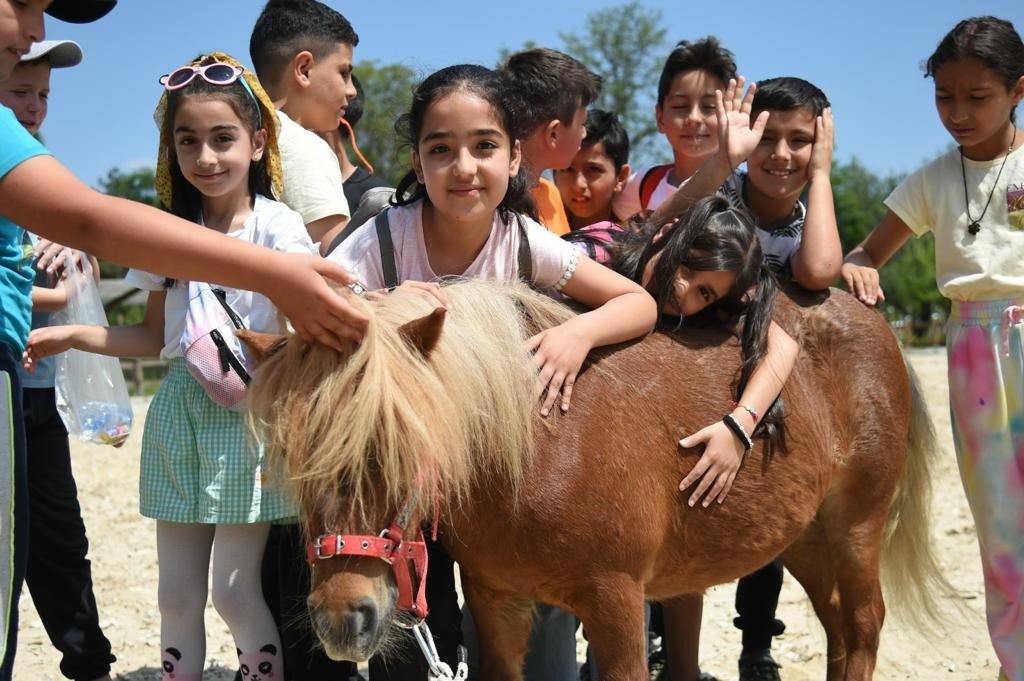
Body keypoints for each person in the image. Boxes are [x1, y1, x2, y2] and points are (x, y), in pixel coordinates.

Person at [0, 4, 365, 679]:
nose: (205, 155)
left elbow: (307, 326)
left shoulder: (280, 230)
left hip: (251, 425)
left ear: (258, 144)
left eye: (222, 138)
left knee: (233, 590)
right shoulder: (166, 236)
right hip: (177, 420)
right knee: (174, 594)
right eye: (188, 140)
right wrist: (69, 334)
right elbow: (152, 334)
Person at [329, 62, 658, 680]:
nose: (463, 166)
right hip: (411, 478)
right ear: (418, 162)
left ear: (514, 160)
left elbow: (639, 303)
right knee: (420, 633)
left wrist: (576, 333)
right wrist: (384, 308)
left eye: (484, 146)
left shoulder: (522, 240)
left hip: (497, 477)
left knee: (529, 627)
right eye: (441, 149)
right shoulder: (383, 242)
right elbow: (323, 316)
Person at [841, 16, 1024, 681]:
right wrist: (861, 265)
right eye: (945, 95)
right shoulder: (931, 179)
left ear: (1018, 92)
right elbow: (869, 249)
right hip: (974, 348)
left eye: (978, 96)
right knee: (1002, 526)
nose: (958, 111)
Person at [1, 37, 116, 681]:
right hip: (5, 384)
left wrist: (75, 258)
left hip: (38, 389)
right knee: (6, 543)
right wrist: (63, 287)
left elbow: (87, 254)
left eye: (44, 95)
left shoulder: (43, 168)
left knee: (60, 536)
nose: (36, 106)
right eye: (21, 91)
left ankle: (89, 661)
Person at [248, 0, 357, 253]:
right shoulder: (302, 148)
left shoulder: (229, 141)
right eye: (343, 72)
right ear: (304, 69)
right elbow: (336, 263)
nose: (351, 90)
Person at [613, 36, 738, 221]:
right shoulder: (643, 184)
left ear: (731, 114)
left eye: (709, 107)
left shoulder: (749, 191)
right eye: (680, 106)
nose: (694, 118)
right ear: (660, 117)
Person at [501, 47, 601, 236]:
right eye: (582, 123)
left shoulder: (551, 193)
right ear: (553, 134)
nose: (584, 133)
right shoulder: (494, 201)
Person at [553, 108, 631, 230]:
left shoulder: (636, 240)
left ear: (621, 177)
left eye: (593, 169)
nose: (578, 184)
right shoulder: (537, 225)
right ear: (555, 174)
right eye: (567, 169)